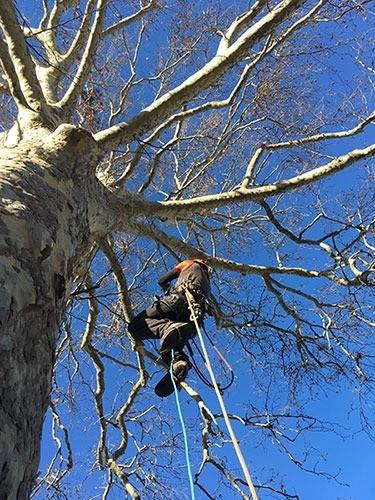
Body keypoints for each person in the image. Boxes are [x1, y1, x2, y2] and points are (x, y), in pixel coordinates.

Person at [128, 259, 212, 397]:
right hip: (194, 317)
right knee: (174, 341)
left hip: (178, 301)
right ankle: (179, 362)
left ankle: (168, 328)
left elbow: (161, 280)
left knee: (136, 327)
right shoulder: (207, 283)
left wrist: (167, 287)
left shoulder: (190, 263)